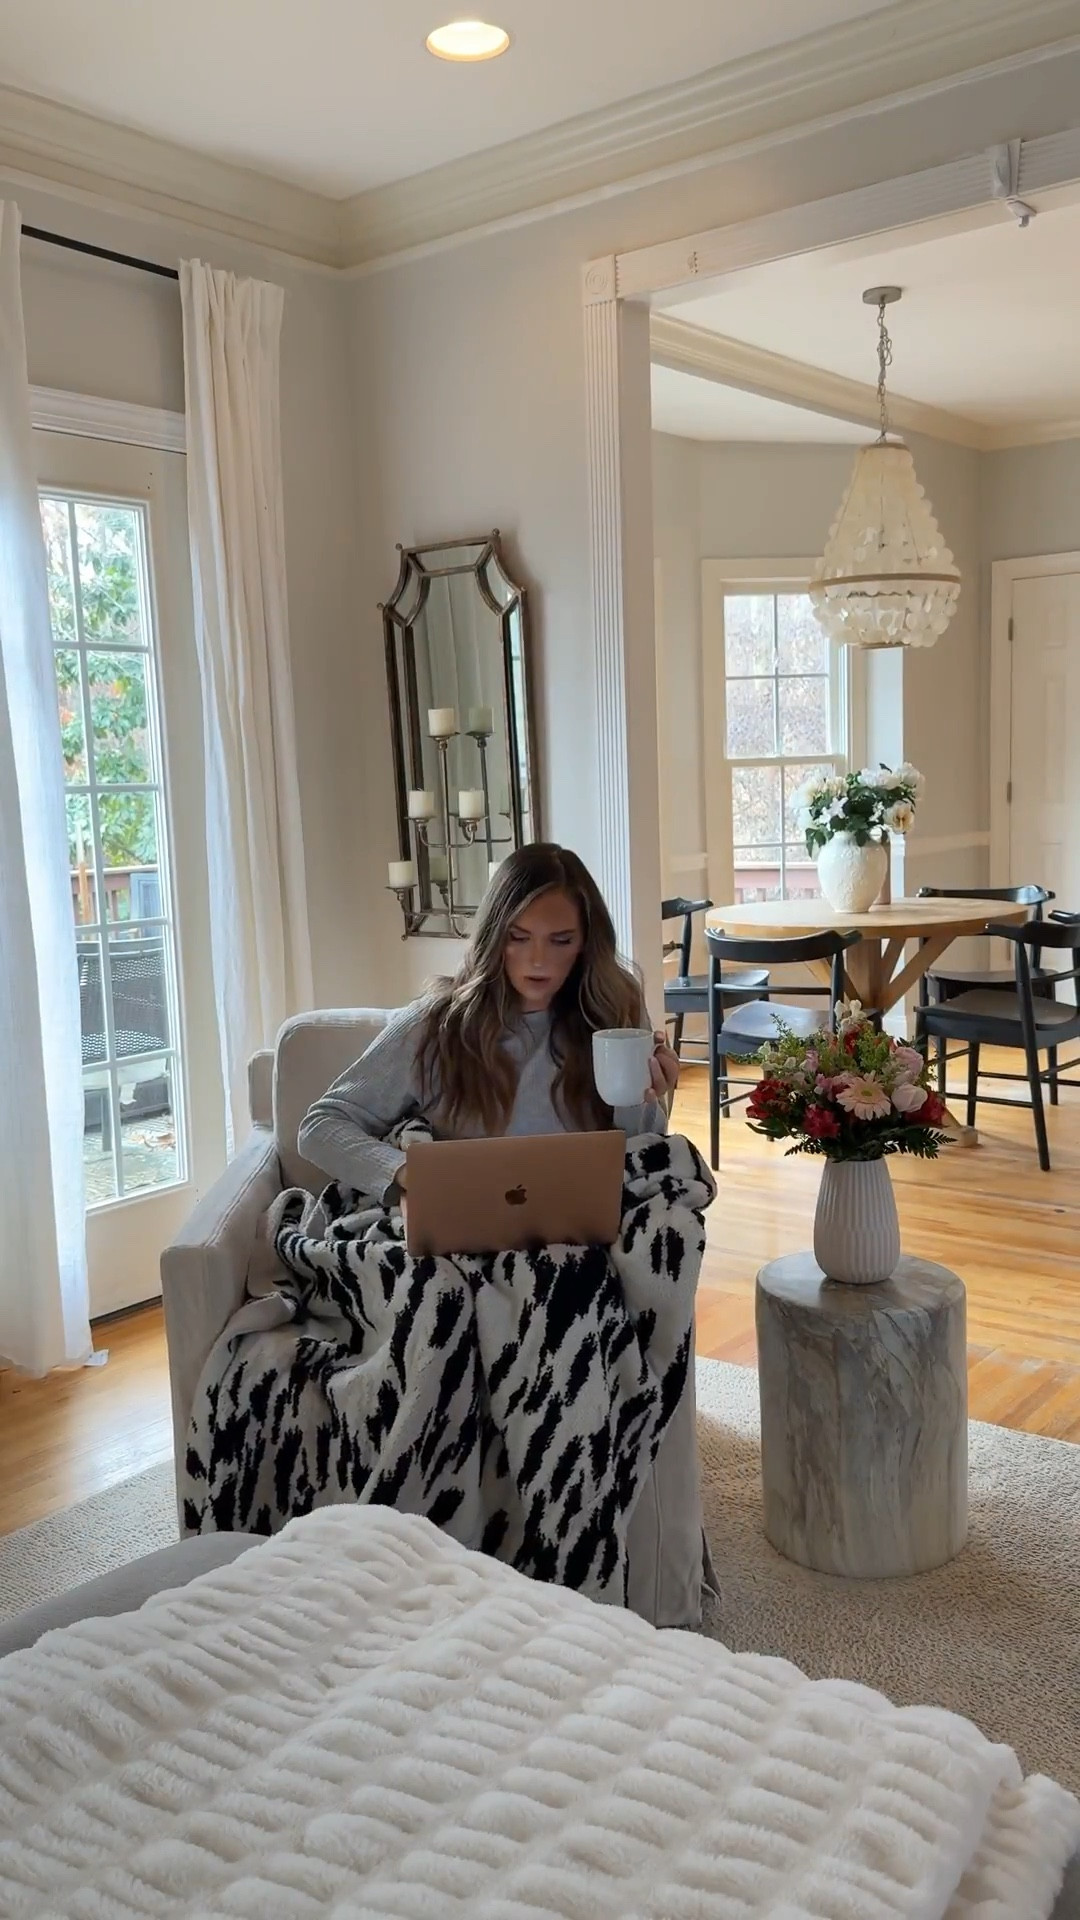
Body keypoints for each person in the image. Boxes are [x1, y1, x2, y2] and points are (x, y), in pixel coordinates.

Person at [299, 843, 680, 1202]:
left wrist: (646, 1095)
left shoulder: (614, 1010)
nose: (537, 960)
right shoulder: (436, 1023)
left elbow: (637, 1157)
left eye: (560, 940)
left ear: (585, 943)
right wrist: (407, 1174)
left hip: (580, 1229)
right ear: (495, 936)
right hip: (467, 1232)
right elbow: (320, 1126)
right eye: (519, 937)